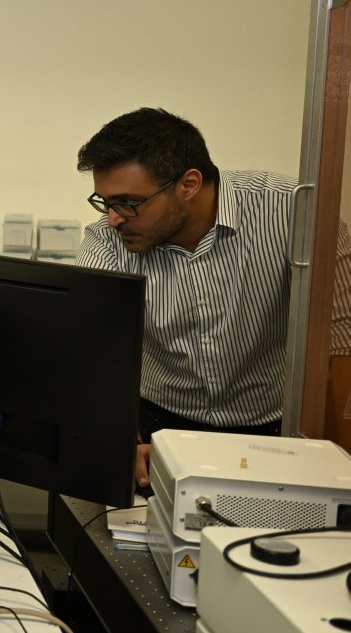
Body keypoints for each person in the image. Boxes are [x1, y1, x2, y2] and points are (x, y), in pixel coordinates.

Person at [75, 106, 341, 489]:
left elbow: (340, 342)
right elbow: (93, 346)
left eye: (128, 202)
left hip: (273, 429)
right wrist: (126, 440)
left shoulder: (293, 212)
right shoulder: (107, 239)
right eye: (105, 202)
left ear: (189, 184)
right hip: (156, 428)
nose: (114, 218)